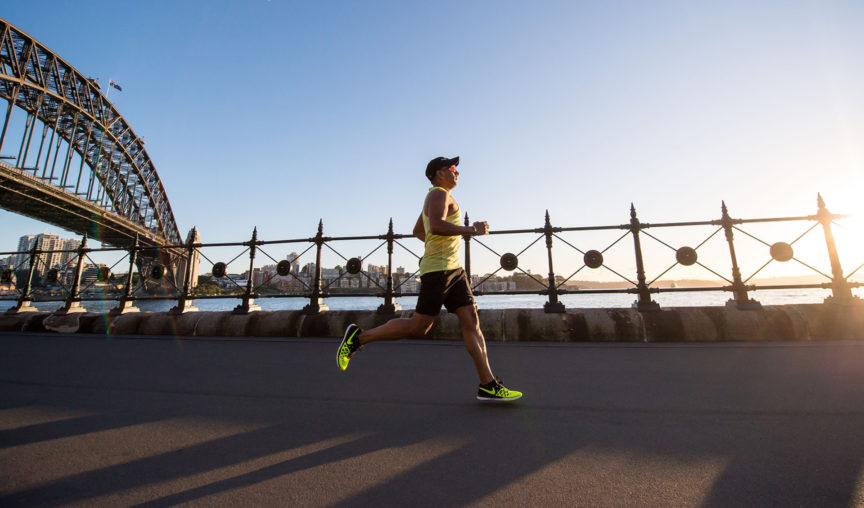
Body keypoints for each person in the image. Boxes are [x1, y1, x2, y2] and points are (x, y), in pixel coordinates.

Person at [337, 156, 522, 402]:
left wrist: (440, 247)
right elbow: (434, 226)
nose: (457, 173)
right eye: (453, 168)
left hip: (454, 270)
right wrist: (471, 230)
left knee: (471, 320)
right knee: (419, 326)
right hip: (439, 271)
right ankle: (357, 338)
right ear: (439, 172)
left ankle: (488, 384)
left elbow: (419, 231)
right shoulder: (438, 194)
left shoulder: (440, 196)